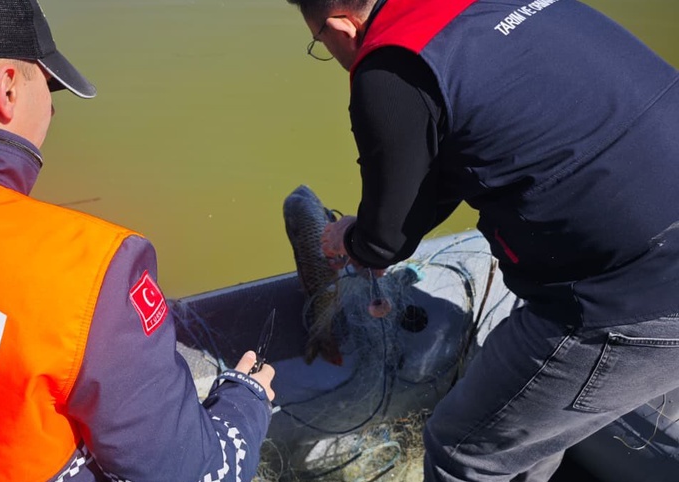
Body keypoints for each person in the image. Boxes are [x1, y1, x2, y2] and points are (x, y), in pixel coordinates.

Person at [0, 0, 275, 481]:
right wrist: (245, 400)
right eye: (49, 85)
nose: (53, 107)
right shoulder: (94, 270)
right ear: (8, 90)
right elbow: (196, 473)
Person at [284, 0, 679, 480]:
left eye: (320, 43)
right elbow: (463, 152)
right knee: (527, 433)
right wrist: (379, 238)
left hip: (632, 291)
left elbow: (386, 240)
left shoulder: (389, 68)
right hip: (648, 245)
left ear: (341, 26)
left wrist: (356, 240)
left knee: (462, 449)